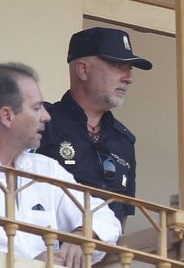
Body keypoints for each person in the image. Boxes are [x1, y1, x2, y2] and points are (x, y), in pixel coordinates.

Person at [0, 63, 121, 267]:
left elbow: (106, 218)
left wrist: (81, 235)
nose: (46, 116)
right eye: (36, 108)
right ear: (7, 116)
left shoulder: (46, 170)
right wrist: (27, 266)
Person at [39, 27, 151, 221]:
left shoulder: (124, 141)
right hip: (49, 248)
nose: (129, 78)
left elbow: (121, 218)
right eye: (118, 66)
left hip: (104, 249)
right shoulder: (44, 122)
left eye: (130, 69)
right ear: (83, 70)